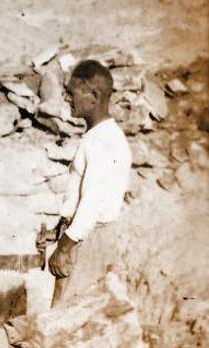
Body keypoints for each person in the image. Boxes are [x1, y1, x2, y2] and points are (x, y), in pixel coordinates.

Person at [49, 60, 132, 306]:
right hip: (84, 237)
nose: (66, 99)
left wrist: (64, 248)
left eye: (71, 93)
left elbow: (92, 203)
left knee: (65, 320)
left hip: (88, 243)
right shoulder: (98, 137)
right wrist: (59, 228)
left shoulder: (103, 141)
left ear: (93, 96)